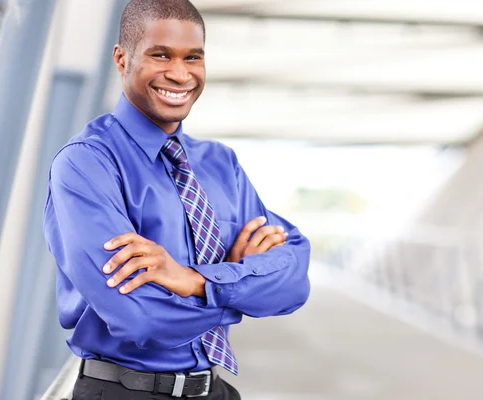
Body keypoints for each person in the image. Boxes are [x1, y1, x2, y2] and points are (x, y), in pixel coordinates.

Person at [42, 0, 311, 399]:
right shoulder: (88, 163)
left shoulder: (220, 164)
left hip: (214, 390)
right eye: (161, 55)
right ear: (122, 58)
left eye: (193, 58)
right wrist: (240, 286)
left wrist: (195, 280)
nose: (180, 73)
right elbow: (141, 318)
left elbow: (294, 280)